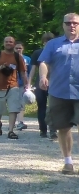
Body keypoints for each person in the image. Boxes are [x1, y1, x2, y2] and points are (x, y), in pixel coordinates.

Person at [37, 14, 79, 175]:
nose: (72, 26)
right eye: (68, 23)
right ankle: (68, 162)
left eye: (75, 23)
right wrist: (42, 76)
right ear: (63, 25)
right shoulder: (53, 44)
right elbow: (44, 62)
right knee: (62, 127)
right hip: (59, 91)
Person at [0, 35, 28, 138]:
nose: (8, 43)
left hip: (13, 87)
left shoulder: (18, 57)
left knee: (13, 109)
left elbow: (23, 73)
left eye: (11, 42)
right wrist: (0, 67)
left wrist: (27, 85)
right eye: (6, 42)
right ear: (3, 43)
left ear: (13, 44)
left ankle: (10, 131)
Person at [34, 32, 55, 138]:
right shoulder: (54, 51)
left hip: (45, 82)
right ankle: (49, 130)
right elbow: (33, 69)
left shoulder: (38, 52)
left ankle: (45, 130)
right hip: (49, 82)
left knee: (44, 107)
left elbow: (33, 70)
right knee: (49, 107)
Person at [15, 41, 33, 129]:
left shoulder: (28, 59)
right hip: (12, 84)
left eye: (20, 48)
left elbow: (30, 72)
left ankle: (20, 121)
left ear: (23, 49)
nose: (18, 50)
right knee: (14, 103)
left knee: (21, 103)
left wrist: (28, 84)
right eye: (16, 48)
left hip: (23, 84)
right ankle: (13, 122)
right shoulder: (11, 58)